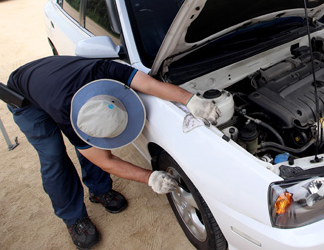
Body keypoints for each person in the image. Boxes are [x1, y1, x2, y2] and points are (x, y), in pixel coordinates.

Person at [6, 56, 221, 249]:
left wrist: (191, 100)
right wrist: (150, 177)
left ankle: (99, 190)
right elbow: (105, 161)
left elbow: (150, 84)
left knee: (93, 146)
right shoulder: (66, 115)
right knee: (54, 159)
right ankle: (74, 219)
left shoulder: (103, 70)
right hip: (25, 99)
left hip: (51, 76)